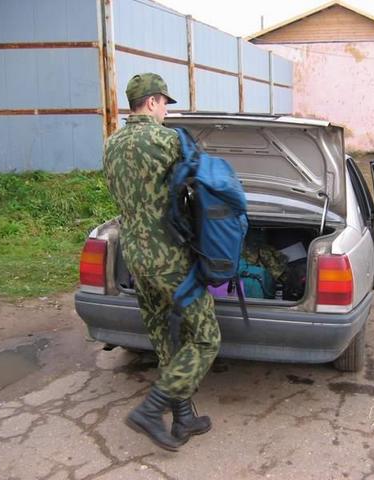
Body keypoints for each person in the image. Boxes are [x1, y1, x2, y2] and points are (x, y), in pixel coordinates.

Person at [103, 73, 220, 450]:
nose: (167, 110)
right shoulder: (167, 140)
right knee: (205, 338)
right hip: (169, 257)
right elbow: (203, 188)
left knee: (163, 337)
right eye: (164, 103)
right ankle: (151, 410)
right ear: (152, 102)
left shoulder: (111, 144)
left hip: (134, 253)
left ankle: (183, 418)